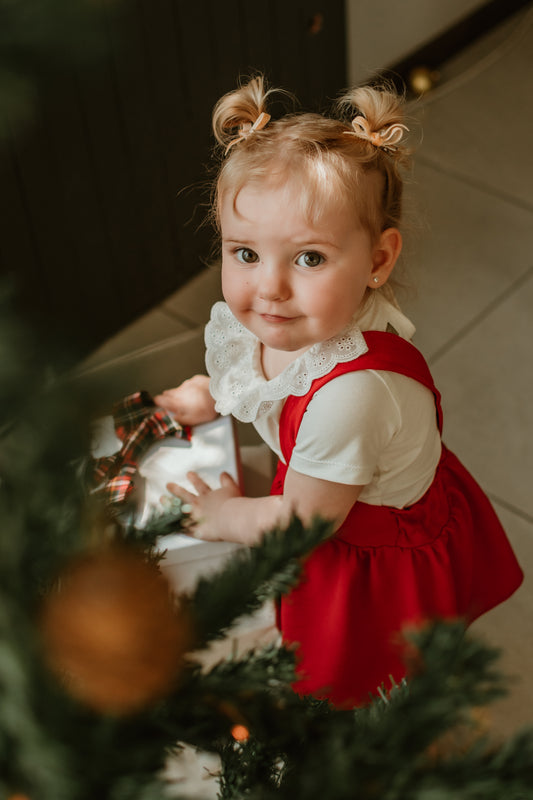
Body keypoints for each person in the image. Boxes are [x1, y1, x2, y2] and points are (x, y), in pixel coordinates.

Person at [154, 75, 523, 707]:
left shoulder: (353, 396)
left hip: (366, 545)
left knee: (360, 672)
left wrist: (222, 517)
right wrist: (213, 396)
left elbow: (301, 522)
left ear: (378, 261)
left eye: (309, 259)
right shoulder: (294, 322)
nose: (268, 287)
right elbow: (264, 373)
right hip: (327, 484)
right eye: (244, 253)